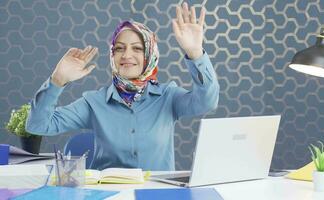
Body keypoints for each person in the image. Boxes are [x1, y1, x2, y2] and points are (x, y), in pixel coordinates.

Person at [26, 2, 219, 170]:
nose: (126, 55)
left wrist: (195, 54)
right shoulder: (93, 103)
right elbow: (38, 125)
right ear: (112, 56)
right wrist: (57, 80)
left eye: (137, 48)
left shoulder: (168, 96)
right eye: (119, 48)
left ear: (150, 55)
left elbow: (207, 102)